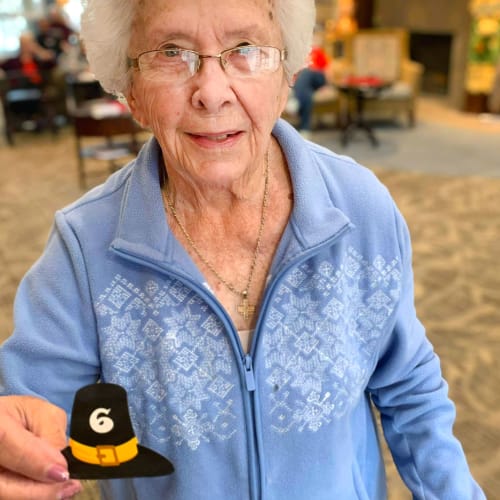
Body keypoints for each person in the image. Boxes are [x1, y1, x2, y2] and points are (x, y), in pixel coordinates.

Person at [0, 0, 486, 499]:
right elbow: (27, 414)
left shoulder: (359, 209)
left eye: (246, 49)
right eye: (171, 52)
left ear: (287, 76)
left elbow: (409, 386)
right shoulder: (85, 248)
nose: (211, 93)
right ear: (131, 93)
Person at [292, 27, 330, 137]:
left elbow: (327, 70)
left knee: (307, 71)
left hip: (318, 78)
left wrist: (327, 85)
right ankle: (305, 128)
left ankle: (294, 102)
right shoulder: (301, 53)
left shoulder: (319, 52)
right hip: (304, 83)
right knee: (306, 92)